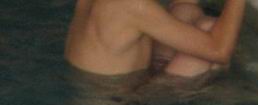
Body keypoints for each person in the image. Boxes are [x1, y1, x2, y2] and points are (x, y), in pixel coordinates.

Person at [65, 0, 246, 77]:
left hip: (111, 86)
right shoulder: (131, 4)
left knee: (185, 10)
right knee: (210, 30)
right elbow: (219, 51)